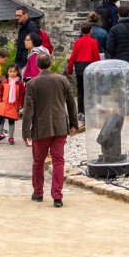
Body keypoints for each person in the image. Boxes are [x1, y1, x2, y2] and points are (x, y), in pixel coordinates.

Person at [22, 51, 79, 207]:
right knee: (58, 161)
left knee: (38, 162)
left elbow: (28, 110)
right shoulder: (62, 80)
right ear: (51, 63)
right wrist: (74, 123)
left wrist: (25, 131)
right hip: (61, 125)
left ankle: (38, 192)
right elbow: (71, 103)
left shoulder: (32, 84)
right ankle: (57, 196)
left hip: (41, 128)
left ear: (36, 65)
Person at [66, 21, 101, 122]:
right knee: (89, 90)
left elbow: (73, 56)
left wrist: (70, 69)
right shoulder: (93, 42)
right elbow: (96, 56)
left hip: (79, 67)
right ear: (91, 30)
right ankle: (88, 111)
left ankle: (80, 111)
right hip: (89, 66)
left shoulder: (78, 42)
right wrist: (97, 68)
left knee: (80, 90)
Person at [0, 63, 24, 145]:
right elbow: (0, 92)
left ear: (18, 72)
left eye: (14, 71)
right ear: (7, 72)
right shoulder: (4, 82)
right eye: (10, 71)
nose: (12, 73)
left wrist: (20, 105)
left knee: (11, 121)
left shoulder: (20, 84)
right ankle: (1, 134)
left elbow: (21, 95)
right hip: (3, 104)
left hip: (13, 105)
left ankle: (11, 137)